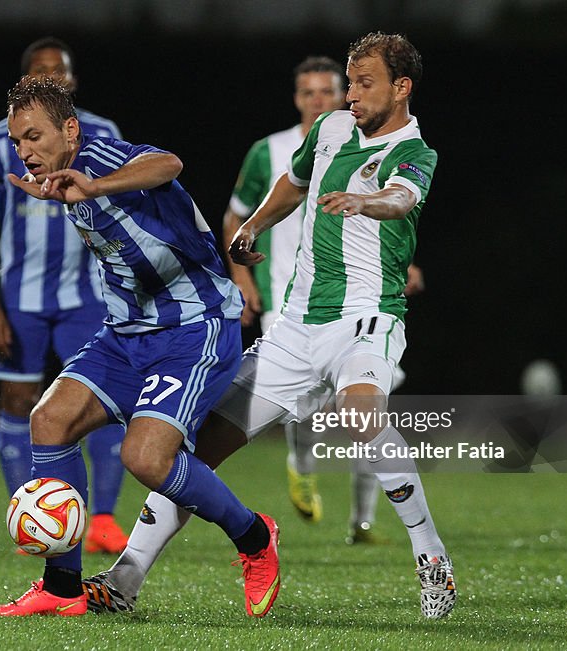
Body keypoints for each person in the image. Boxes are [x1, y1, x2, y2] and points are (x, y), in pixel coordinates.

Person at [83, 32, 457, 620]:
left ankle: (430, 555)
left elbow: (401, 199)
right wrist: (254, 226)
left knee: (362, 416)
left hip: (366, 317)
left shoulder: (416, 150)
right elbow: (294, 182)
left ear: (401, 86)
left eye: (365, 84)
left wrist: (369, 202)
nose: (351, 95)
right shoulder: (331, 130)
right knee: (196, 451)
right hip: (294, 326)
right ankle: (124, 580)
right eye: (350, 83)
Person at [0, 77, 280, 618]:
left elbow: (169, 164)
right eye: (17, 141)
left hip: (195, 328)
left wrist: (93, 187)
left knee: (145, 457)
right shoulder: (61, 179)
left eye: (34, 136)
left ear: (69, 130)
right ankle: (62, 587)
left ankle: (255, 537)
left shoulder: (99, 156)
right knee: (49, 421)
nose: (25, 151)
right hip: (125, 333)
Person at [222, 55, 417, 544]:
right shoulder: (270, 150)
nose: (324, 100)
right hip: (288, 301)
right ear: (297, 98)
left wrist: (399, 259)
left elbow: (396, 203)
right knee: (302, 410)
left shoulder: (373, 140)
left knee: (365, 413)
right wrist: (243, 277)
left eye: (331, 91)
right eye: (310, 93)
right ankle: (301, 464)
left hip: (358, 307)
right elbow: (239, 213)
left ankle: (363, 521)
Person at [0, 37, 129, 553]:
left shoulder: (102, 134)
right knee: (17, 397)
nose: (51, 79)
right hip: (20, 297)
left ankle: (102, 518)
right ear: (23, 85)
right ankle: (29, 517)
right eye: (40, 73)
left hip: (89, 294)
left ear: (73, 83)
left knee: (101, 400)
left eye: (58, 72)